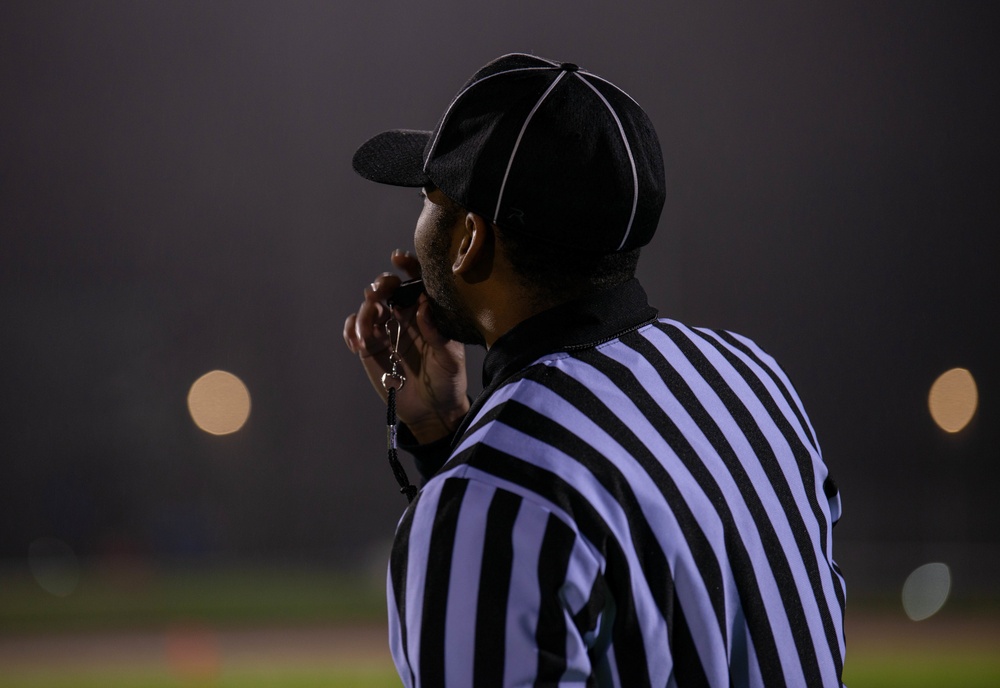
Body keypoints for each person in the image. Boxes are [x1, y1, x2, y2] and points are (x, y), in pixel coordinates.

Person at [344, 53, 845, 687]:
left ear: (469, 241)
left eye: (428, 198)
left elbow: (520, 514)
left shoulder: (486, 499)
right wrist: (448, 432)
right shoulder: (754, 381)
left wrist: (469, 466)